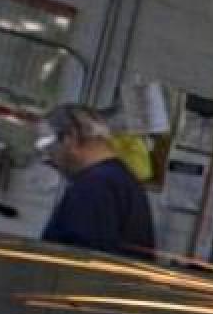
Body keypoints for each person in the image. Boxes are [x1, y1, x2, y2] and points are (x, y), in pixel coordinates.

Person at [37, 104, 156, 260]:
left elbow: (80, 263)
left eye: (49, 148)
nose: (48, 159)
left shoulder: (93, 187)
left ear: (70, 138)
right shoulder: (121, 180)